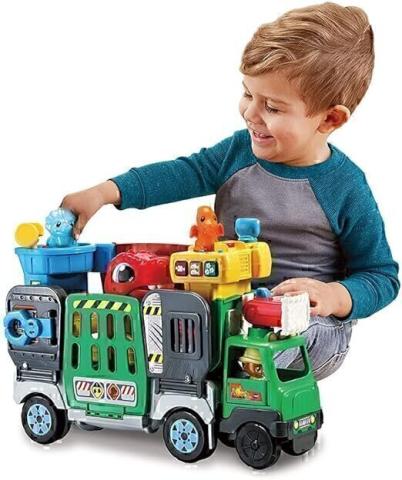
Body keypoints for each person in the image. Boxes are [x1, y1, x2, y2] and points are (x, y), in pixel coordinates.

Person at [61, 2, 399, 380]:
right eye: (247, 94)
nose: (250, 114)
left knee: (281, 340)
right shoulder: (238, 153)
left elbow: (381, 276)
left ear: (330, 118)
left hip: (309, 327)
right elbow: (182, 173)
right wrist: (105, 192)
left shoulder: (345, 186)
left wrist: (336, 296)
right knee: (157, 310)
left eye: (272, 107)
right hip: (227, 309)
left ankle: (229, 368)